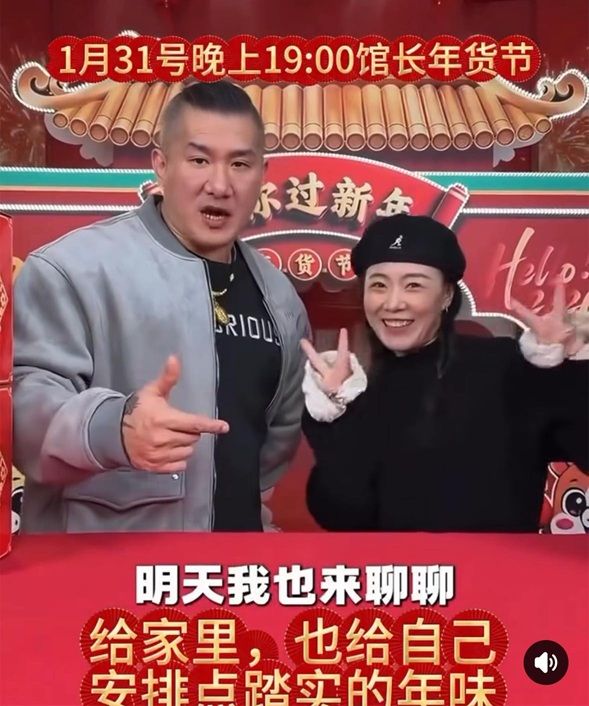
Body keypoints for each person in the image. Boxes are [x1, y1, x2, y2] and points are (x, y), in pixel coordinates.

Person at [13, 80, 310, 533]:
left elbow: (270, 450)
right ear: (161, 164)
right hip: (99, 566)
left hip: (229, 568)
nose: (220, 184)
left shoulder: (280, 299)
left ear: (262, 174)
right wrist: (113, 429)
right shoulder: (74, 270)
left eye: (240, 164)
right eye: (199, 160)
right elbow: (22, 413)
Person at [301, 214, 588, 532]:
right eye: (379, 285)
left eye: (413, 285)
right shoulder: (354, 386)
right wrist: (336, 415)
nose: (393, 303)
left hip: (499, 564)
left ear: (447, 295)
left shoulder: (506, 366)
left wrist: (565, 368)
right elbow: (339, 517)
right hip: (394, 566)